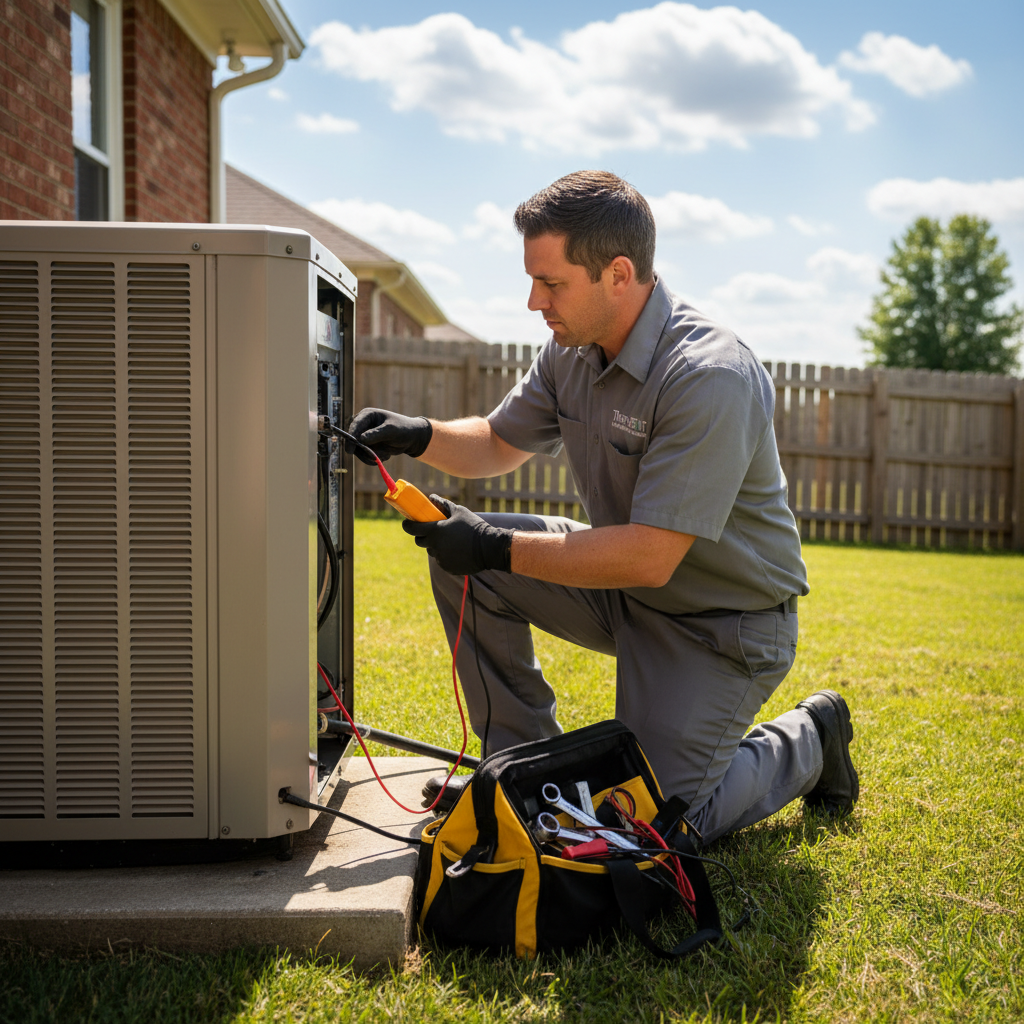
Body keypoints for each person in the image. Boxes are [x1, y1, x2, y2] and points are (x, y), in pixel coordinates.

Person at [347, 170, 858, 844]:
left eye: (551, 283)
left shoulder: (710, 375)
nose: (534, 301)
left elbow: (648, 556)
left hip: (721, 625)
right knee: (459, 556)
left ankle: (809, 739)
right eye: (533, 280)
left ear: (618, 274)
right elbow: (499, 441)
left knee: (657, 828)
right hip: (626, 592)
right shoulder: (572, 351)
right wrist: (420, 435)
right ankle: (519, 770)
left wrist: (495, 547)